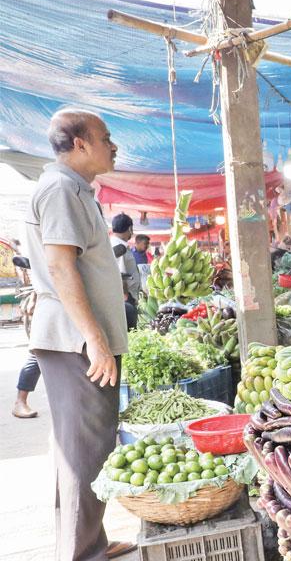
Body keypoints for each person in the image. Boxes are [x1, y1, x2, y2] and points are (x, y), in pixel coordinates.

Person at [24, 108, 134, 560]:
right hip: (75, 342)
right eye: (105, 136)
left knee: (88, 444)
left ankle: (90, 543)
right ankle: (80, 553)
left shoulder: (75, 190)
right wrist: (95, 339)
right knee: (83, 450)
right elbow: (59, 265)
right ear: (80, 143)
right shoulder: (60, 189)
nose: (113, 145)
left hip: (80, 339)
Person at [110, 213, 141, 303]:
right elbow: (120, 275)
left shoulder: (115, 244)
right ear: (129, 228)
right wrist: (127, 297)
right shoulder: (119, 247)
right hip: (126, 298)